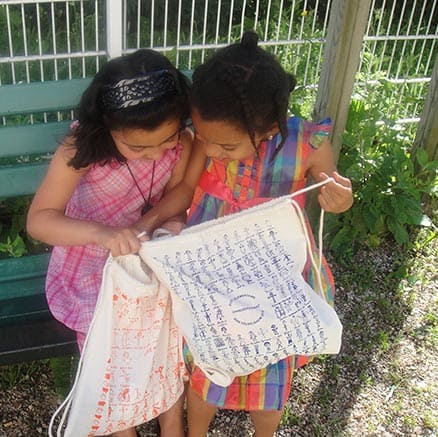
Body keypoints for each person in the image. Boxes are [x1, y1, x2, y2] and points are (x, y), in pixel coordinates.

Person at [145, 30, 353, 437]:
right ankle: (196, 432)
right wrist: (148, 223)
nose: (207, 148)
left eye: (224, 146)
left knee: (270, 369)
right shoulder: (209, 138)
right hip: (215, 275)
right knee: (208, 362)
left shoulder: (308, 144)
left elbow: (334, 191)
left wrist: (338, 197)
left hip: (274, 277)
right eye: (203, 138)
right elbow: (186, 190)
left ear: (267, 131)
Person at [26, 49, 192, 437]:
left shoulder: (181, 141)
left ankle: (171, 416)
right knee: (114, 330)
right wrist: (103, 234)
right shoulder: (79, 151)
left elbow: (178, 194)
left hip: (147, 249)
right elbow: (40, 220)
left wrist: (165, 224)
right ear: (108, 128)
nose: (155, 154)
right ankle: (122, 424)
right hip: (90, 262)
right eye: (138, 148)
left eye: (165, 141)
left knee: (173, 314)